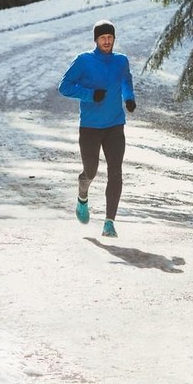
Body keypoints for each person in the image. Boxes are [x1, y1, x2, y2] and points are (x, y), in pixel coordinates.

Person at [58, 19, 136, 238]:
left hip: (115, 125)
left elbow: (126, 81)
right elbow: (64, 87)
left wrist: (129, 98)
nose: (107, 41)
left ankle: (109, 222)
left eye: (110, 37)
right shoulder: (83, 61)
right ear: (96, 39)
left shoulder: (121, 61)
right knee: (90, 171)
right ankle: (83, 194)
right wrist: (90, 95)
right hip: (90, 127)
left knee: (116, 172)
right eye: (103, 38)